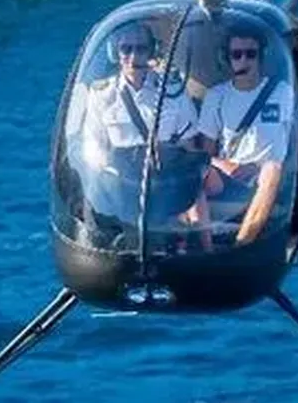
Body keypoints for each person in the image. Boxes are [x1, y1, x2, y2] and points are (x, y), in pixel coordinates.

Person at [78, 21, 209, 243]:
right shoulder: (102, 95)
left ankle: (206, 248)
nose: (133, 56)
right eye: (126, 49)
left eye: (141, 49)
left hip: (166, 177)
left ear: (151, 52)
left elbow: (188, 144)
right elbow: (95, 150)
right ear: (116, 53)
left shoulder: (172, 91)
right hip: (123, 180)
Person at [197, 20, 298, 246]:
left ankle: (243, 243)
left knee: (272, 168)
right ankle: (195, 242)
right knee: (189, 173)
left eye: (250, 54)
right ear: (227, 59)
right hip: (230, 175)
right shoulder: (217, 97)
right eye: (237, 55)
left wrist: (260, 167)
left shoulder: (283, 93)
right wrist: (227, 165)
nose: (244, 61)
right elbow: (202, 156)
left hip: (267, 177)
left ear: (261, 57)